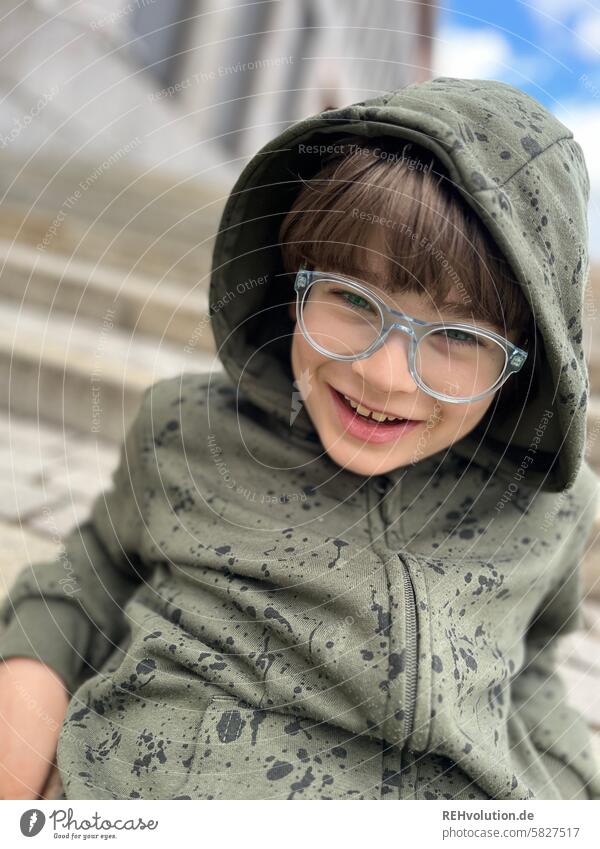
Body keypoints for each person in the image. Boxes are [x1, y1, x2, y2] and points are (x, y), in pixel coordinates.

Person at [0, 76, 598, 801]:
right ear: (293, 283)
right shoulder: (187, 428)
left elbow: (529, 666)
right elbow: (87, 577)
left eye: (456, 336)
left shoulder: (548, 514)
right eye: (351, 298)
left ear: (525, 366)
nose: (382, 374)